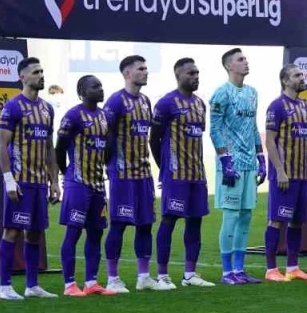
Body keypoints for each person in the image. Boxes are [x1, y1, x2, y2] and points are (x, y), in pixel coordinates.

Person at [0, 57, 59, 299]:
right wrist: (8, 180)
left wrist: (54, 180)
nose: (41, 76)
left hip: (39, 183)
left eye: (42, 71)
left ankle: (32, 286)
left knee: (35, 233)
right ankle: (4, 286)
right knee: (12, 231)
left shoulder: (47, 108)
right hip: (20, 181)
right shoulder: (13, 107)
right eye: (36, 72)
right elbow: (2, 145)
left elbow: (49, 148)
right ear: (22, 77)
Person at [151, 58, 214, 289]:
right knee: (169, 220)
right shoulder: (166, 103)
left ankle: (190, 274)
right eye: (191, 73)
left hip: (197, 174)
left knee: (195, 221)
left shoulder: (200, 104)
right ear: (178, 76)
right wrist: (165, 168)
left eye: (197, 73)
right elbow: (154, 138)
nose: (196, 77)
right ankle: (162, 276)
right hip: (175, 175)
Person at [56, 76, 117, 296]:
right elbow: (59, 148)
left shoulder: (104, 116)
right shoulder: (73, 116)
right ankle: (69, 284)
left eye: (101, 86)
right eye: (95, 87)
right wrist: (67, 174)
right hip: (78, 183)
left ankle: (91, 282)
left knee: (96, 232)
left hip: (98, 185)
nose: (101, 90)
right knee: (73, 233)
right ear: (82, 91)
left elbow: (108, 148)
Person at [210, 48, 265, 284]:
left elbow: (253, 126)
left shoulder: (252, 93)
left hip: (249, 163)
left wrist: (261, 157)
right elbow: (214, 129)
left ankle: (239, 269)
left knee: (245, 215)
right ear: (228, 66)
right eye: (240, 60)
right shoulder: (221, 93)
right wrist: (225, 159)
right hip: (230, 164)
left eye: (246, 59)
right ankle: (226, 272)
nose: (246, 63)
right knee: (231, 215)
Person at [104, 55, 156, 293]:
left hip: (143, 174)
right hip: (122, 176)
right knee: (119, 224)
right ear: (127, 73)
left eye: (146, 68)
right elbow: (106, 137)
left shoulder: (145, 101)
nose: (146, 72)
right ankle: (113, 279)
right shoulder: (115, 102)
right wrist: (109, 167)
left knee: (145, 224)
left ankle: (143, 276)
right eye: (141, 69)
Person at [263, 64, 307, 281]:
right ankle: (271, 269)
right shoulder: (276, 106)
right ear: (285, 81)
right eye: (297, 75)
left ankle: (293, 267)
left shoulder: (303, 106)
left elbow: (305, 141)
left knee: (297, 221)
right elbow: (269, 140)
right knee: (277, 220)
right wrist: (280, 171)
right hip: (284, 175)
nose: (302, 78)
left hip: (301, 175)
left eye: (302, 74)